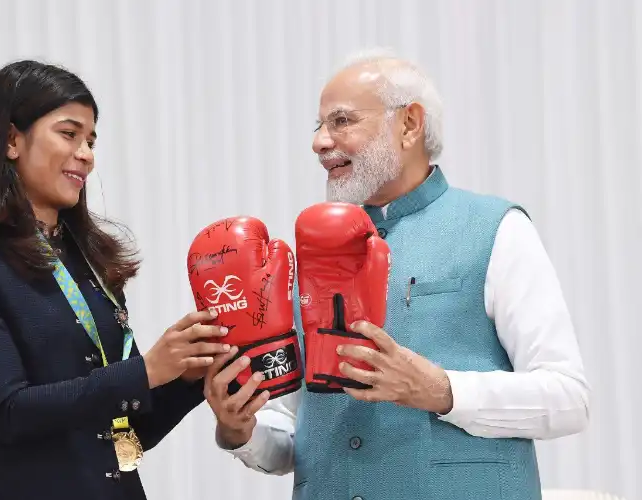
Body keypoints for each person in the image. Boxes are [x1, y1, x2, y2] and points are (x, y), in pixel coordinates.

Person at [204, 48, 591, 500]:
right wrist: (241, 429)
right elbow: (297, 426)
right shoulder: (309, 252)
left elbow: (568, 398)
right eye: (319, 126)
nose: (320, 142)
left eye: (341, 121)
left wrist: (442, 390)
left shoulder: (496, 228)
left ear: (409, 124)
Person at [0, 60, 230, 500]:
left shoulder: (90, 264)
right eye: (69, 134)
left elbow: (126, 441)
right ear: (12, 140)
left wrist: (189, 377)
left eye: (90, 140)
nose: (86, 154)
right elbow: (6, 414)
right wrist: (144, 371)